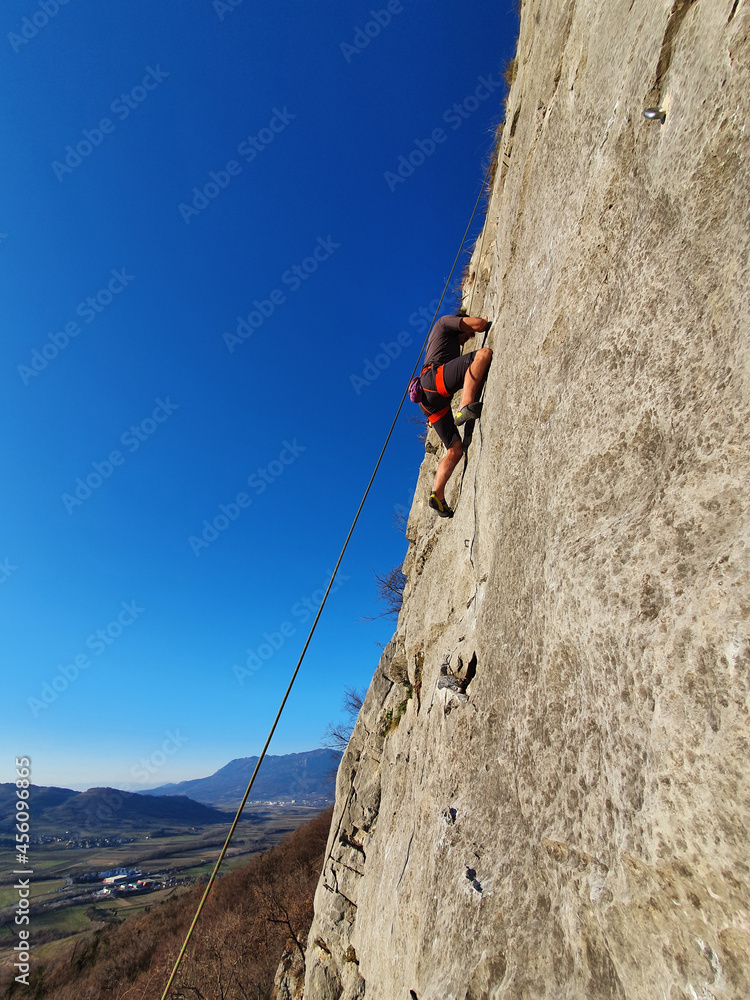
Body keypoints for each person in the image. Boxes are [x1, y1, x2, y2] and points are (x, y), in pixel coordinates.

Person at [419, 312, 492, 517]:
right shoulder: (445, 322)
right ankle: (465, 406)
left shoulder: (439, 341)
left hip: (429, 402)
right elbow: (479, 325)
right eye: (465, 336)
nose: (465, 340)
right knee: (482, 354)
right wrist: (479, 322)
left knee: (454, 449)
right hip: (433, 380)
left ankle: (438, 495)